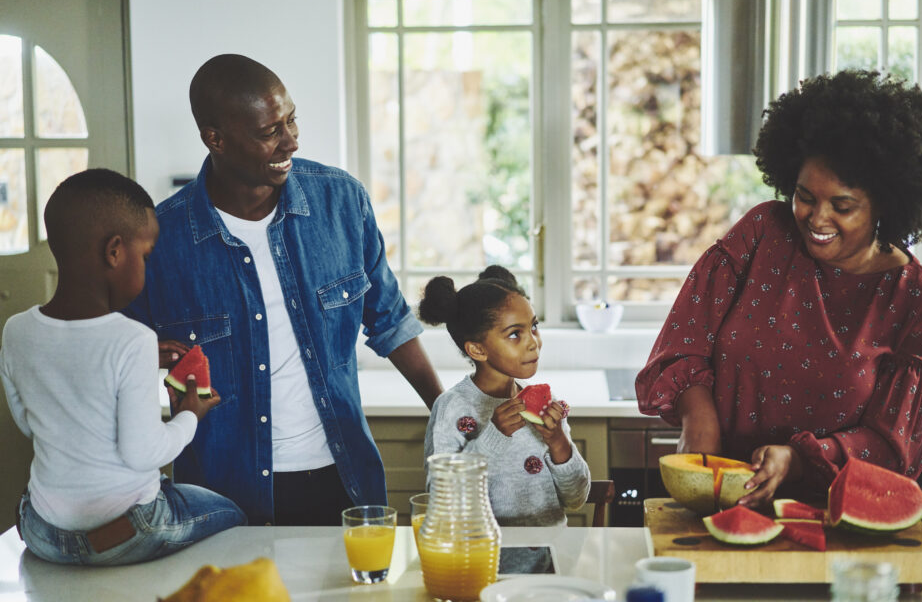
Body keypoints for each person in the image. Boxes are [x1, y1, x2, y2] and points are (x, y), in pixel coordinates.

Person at [124, 54, 444, 526]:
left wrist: (449, 412)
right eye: (270, 131)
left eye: (291, 120)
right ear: (216, 138)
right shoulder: (160, 240)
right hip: (221, 495)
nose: (291, 140)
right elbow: (118, 357)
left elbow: (391, 320)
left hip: (345, 479)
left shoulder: (341, 201)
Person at [636, 70, 922, 508]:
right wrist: (698, 417)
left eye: (842, 206)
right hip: (721, 499)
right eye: (805, 196)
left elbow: (893, 445)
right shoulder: (762, 233)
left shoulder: (919, 300)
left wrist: (799, 459)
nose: (816, 218)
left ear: (887, 204)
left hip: (832, 517)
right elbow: (684, 341)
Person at [0, 169, 245, 566]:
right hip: (129, 533)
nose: (147, 267)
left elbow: (32, 422)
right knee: (233, 515)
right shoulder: (132, 340)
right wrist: (189, 415)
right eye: (145, 256)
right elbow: (142, 453)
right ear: (114, 252)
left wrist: (133, 368)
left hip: (46, 533)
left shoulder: (17, 331)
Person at [420, 265, 590, 526]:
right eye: (514, 334)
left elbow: (577, 498)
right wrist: (492, 437)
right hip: (485, 561)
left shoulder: (547, 403)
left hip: (551, 560)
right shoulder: (451, 409)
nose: (534, 342)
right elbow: (443, 501)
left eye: (534, 326)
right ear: (477, 349)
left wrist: (558, 443)